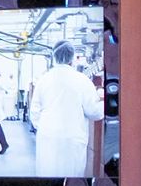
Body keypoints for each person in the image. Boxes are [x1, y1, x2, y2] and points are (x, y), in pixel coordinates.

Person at [28, 41, 104, 178]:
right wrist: (105, 101)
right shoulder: (82, 80)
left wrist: (47, 128)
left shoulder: (43, 80)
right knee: (71, 184)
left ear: (54, 57)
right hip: (72, 139)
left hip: (47, 137)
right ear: (72, 58)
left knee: (47, 179)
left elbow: (34, 112)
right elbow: (94, 112)